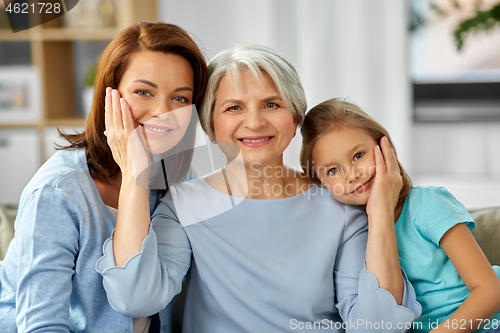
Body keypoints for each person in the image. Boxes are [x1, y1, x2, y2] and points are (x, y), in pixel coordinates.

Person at [97, 44, 421, 332]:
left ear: (295, 119)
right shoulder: (183, 205)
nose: (254, 122)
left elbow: (379, 326)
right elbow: (135, 299)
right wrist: (134, 171)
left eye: (271, 105)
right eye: (233, 108)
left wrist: (378, 211)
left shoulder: (339, 209)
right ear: (210, 124)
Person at [0, 22, 208, 333]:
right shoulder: (57, 192)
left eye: (180, 98)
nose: (163, 112)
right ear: (110, 95)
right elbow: (42, 326)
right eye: (143, 92)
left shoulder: (177, 177)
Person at [300, 97, 500, 333]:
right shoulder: (349, 237)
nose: (351, 175)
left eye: (358, 156)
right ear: (321, 184)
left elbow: (490, 291)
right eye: (333, 170)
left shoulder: (428, 203)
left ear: (385, 149)